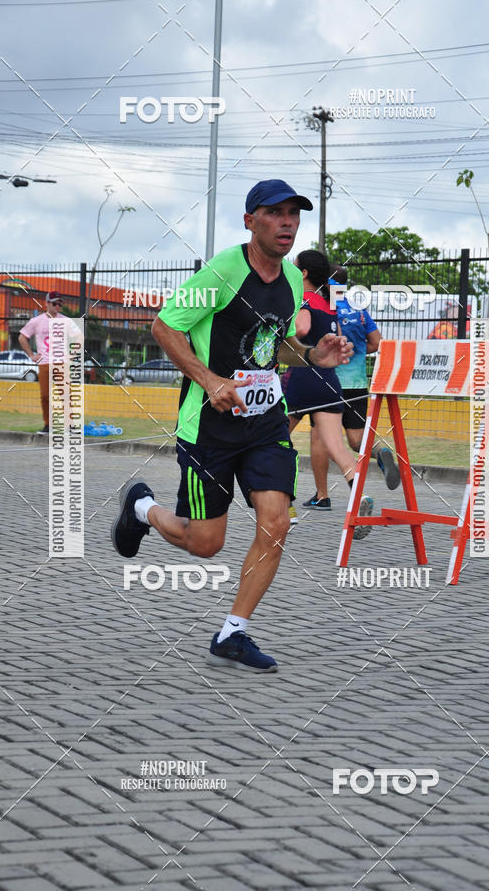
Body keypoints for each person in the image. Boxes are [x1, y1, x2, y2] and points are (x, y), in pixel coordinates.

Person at [111, 179, 352, 674]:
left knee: (277, 523)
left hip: (265, 422)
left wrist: (312, 356)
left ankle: (232, 633)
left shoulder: (292, 278)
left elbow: (272, 344)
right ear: (250, 221)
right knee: (206, 544)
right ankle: (141, 508)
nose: (287, 222)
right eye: (276, 213)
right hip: (209, 427)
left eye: (294, 214)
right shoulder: (223, 271)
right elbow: (164, 326)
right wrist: (209, 379)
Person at [280, 250, 375, 534]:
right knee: (338, 448)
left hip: (302, 376)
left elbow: (302, 328)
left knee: (274, 440)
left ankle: (286, 505)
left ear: (304, 273)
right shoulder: (329, 304)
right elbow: (337, 336)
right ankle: (360, 497)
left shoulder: (305, 299)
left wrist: (280, 332)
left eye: (295, 266)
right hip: (329, 381)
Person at [301, 267, 400, 513]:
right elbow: (377, 342)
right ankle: (381, 450)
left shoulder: (323, 307)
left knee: (319, 438)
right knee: (356, 440)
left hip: (329, 383)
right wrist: (356, 351)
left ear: (326, 282)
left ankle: (322, 496)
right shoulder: (358, 309)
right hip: (357, 384)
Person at [18, 290, 68, 434]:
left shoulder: (65, 320)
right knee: (45, 396)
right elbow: (22, 337)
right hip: (44, 363)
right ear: (47, 303)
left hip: (61, 362)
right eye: (55, 303)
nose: (58, 306)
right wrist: (31, 355)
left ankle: (69, 426)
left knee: (65, 394)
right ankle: (48, 425)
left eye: (60, 304)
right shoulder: (36, 321)